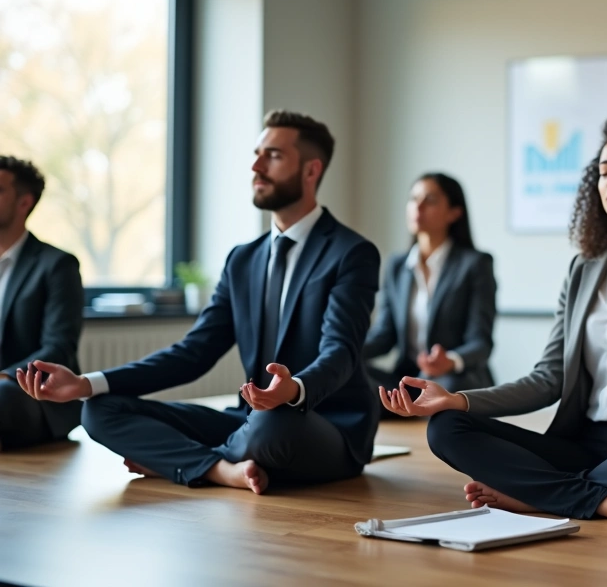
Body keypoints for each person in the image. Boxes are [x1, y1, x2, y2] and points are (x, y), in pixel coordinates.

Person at [381, 113, 607, 525]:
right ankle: (597, 500)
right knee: (445, 428)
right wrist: (459, 399)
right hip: (584, 442)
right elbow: (547, 378)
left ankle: (543, 497)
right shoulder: (582, 270)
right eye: (603, 171)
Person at [15, 111, 380, 494]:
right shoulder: (243, 259)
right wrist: (86, 384)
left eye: (273, 155)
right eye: (256, 154)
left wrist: (295, 389)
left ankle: (185, 461)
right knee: (100, 409)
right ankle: (220, 469)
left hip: (324, 425)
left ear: (311, 170)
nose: (256, 166)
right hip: (251, 421)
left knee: (273, 424)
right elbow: (194, 352)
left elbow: (340, 352)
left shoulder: (352, 253)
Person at [363, 173, 496, 414]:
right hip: (407, 380)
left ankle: (416, 415)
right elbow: (384, 336)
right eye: (414, 199)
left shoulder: (476, 265)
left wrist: (451, 360)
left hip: (453, 378)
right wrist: (341, 351)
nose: (418, 207)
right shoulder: (397, 266)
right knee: (347, 373)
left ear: (454, 213)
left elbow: (481, 342)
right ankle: (406, 410)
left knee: (450, 390)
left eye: (430, 200)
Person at [0, 156, 84, 451]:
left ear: (24, 202)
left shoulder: (57, 265)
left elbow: (58, 347)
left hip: (30, 393)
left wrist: (4, 374)